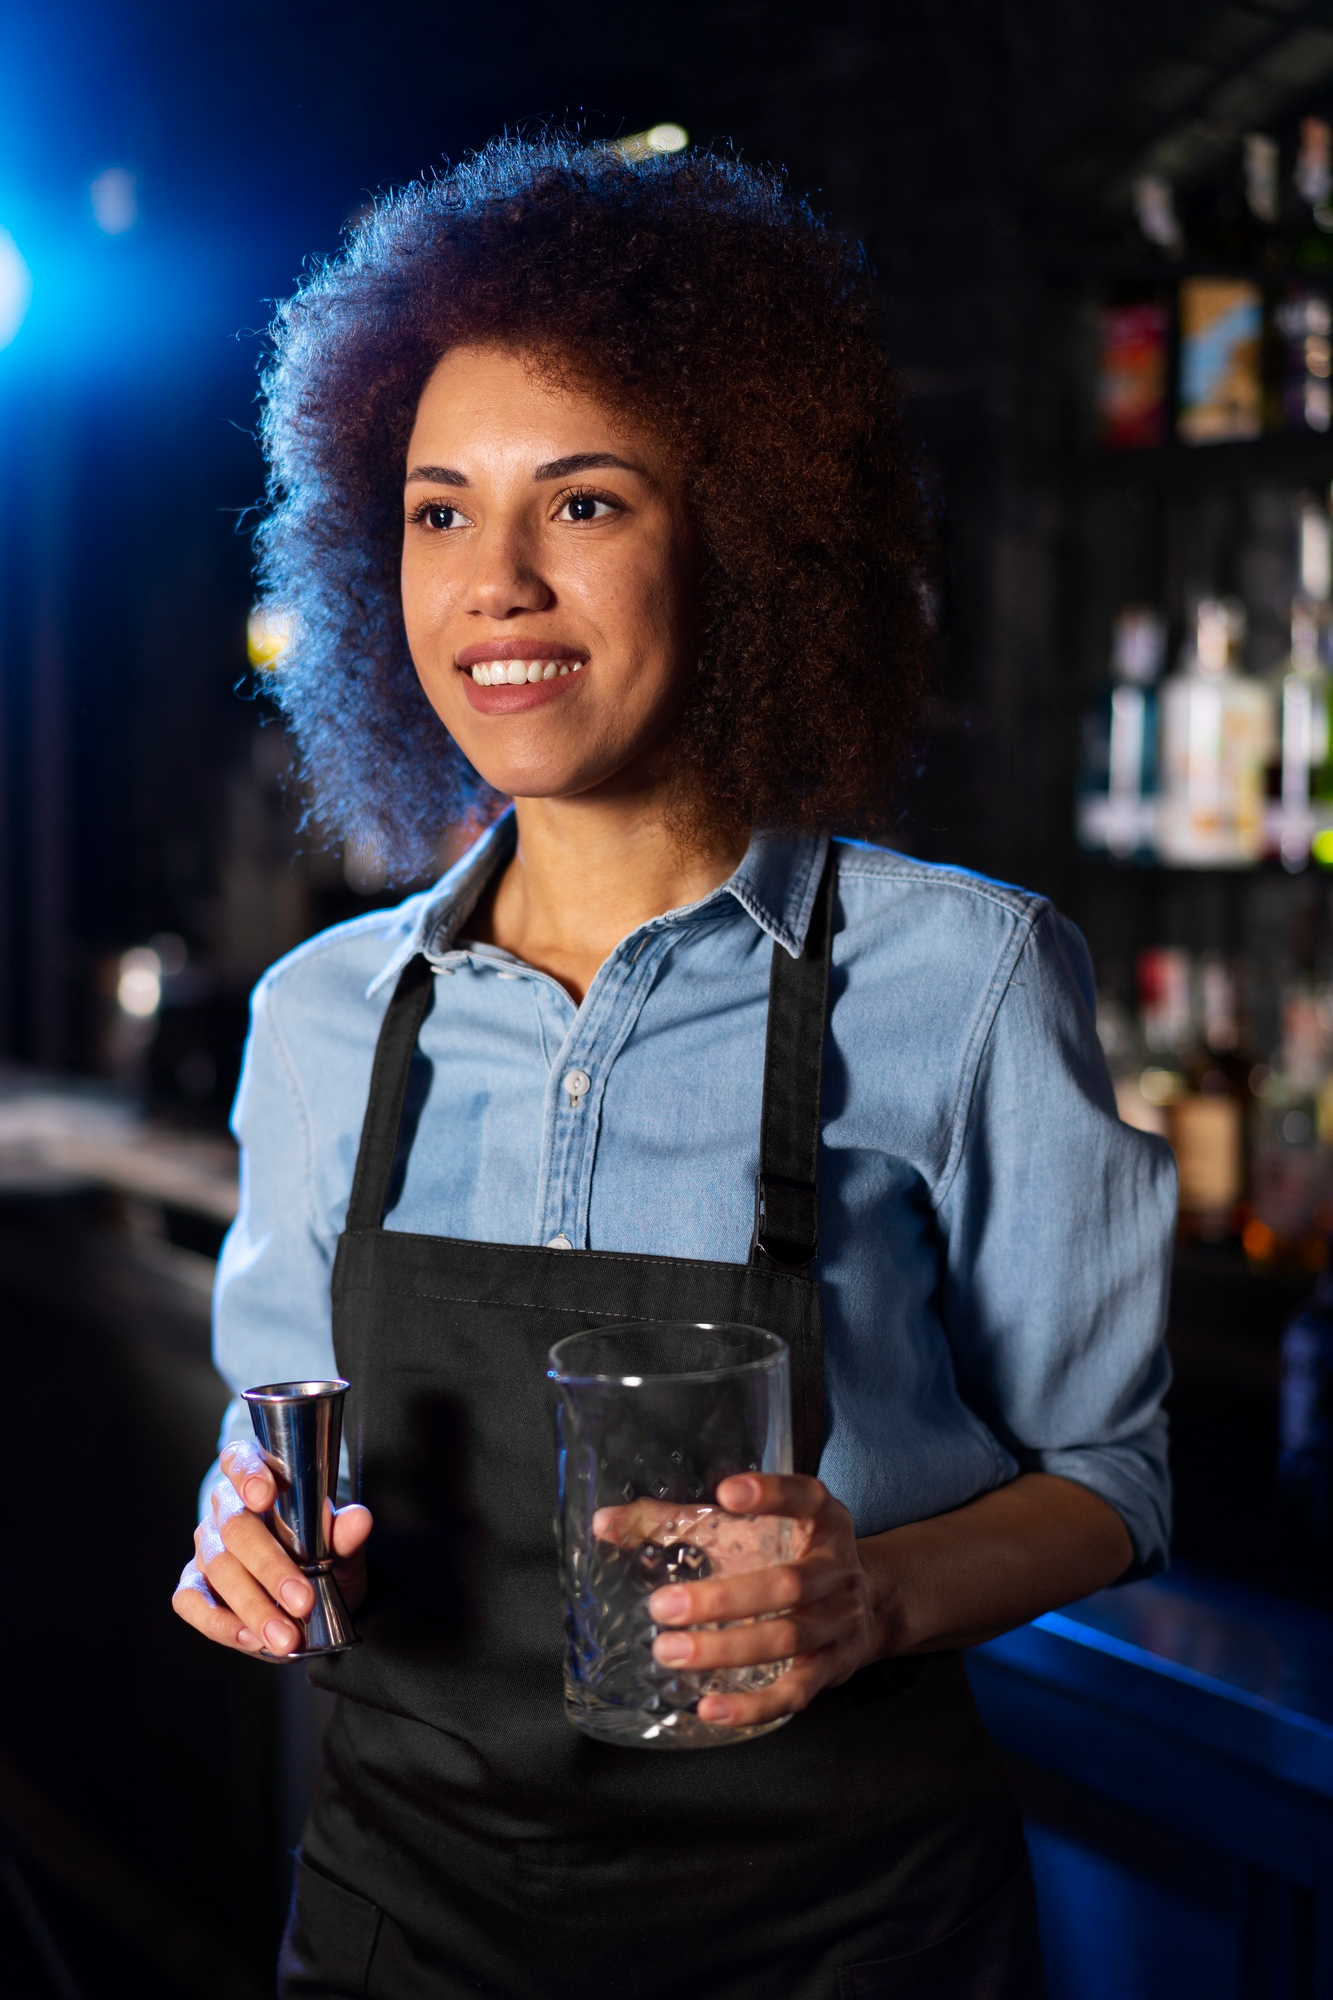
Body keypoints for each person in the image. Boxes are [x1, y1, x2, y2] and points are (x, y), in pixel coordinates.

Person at [174, 140, 1174, 2000]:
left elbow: (1107, 1473)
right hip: (411, 1927)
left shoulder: (961, 976)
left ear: (740, 534)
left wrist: (868, 1593)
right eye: (438, 512)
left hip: (838, 1943)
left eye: (587, 503)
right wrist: (252, 1530)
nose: (500, 587)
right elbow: (276, 1421)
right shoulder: (323, 1016)